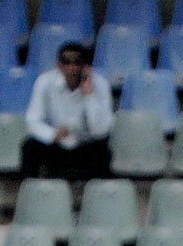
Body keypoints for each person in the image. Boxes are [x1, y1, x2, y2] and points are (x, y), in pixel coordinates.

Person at [22, 41, 114, 180]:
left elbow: (101, 130)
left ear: (86, 66)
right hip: (56, 145)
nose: (71, 68)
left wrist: (89, 95)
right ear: (58, 65)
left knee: (103, 152)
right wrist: (53, 134)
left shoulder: (100, 85)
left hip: (85, 145)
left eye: (77, 63)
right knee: (29, 147)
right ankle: (31, 192)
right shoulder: (44, 82)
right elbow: (32, 120)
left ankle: (99, 196)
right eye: (66, 62)